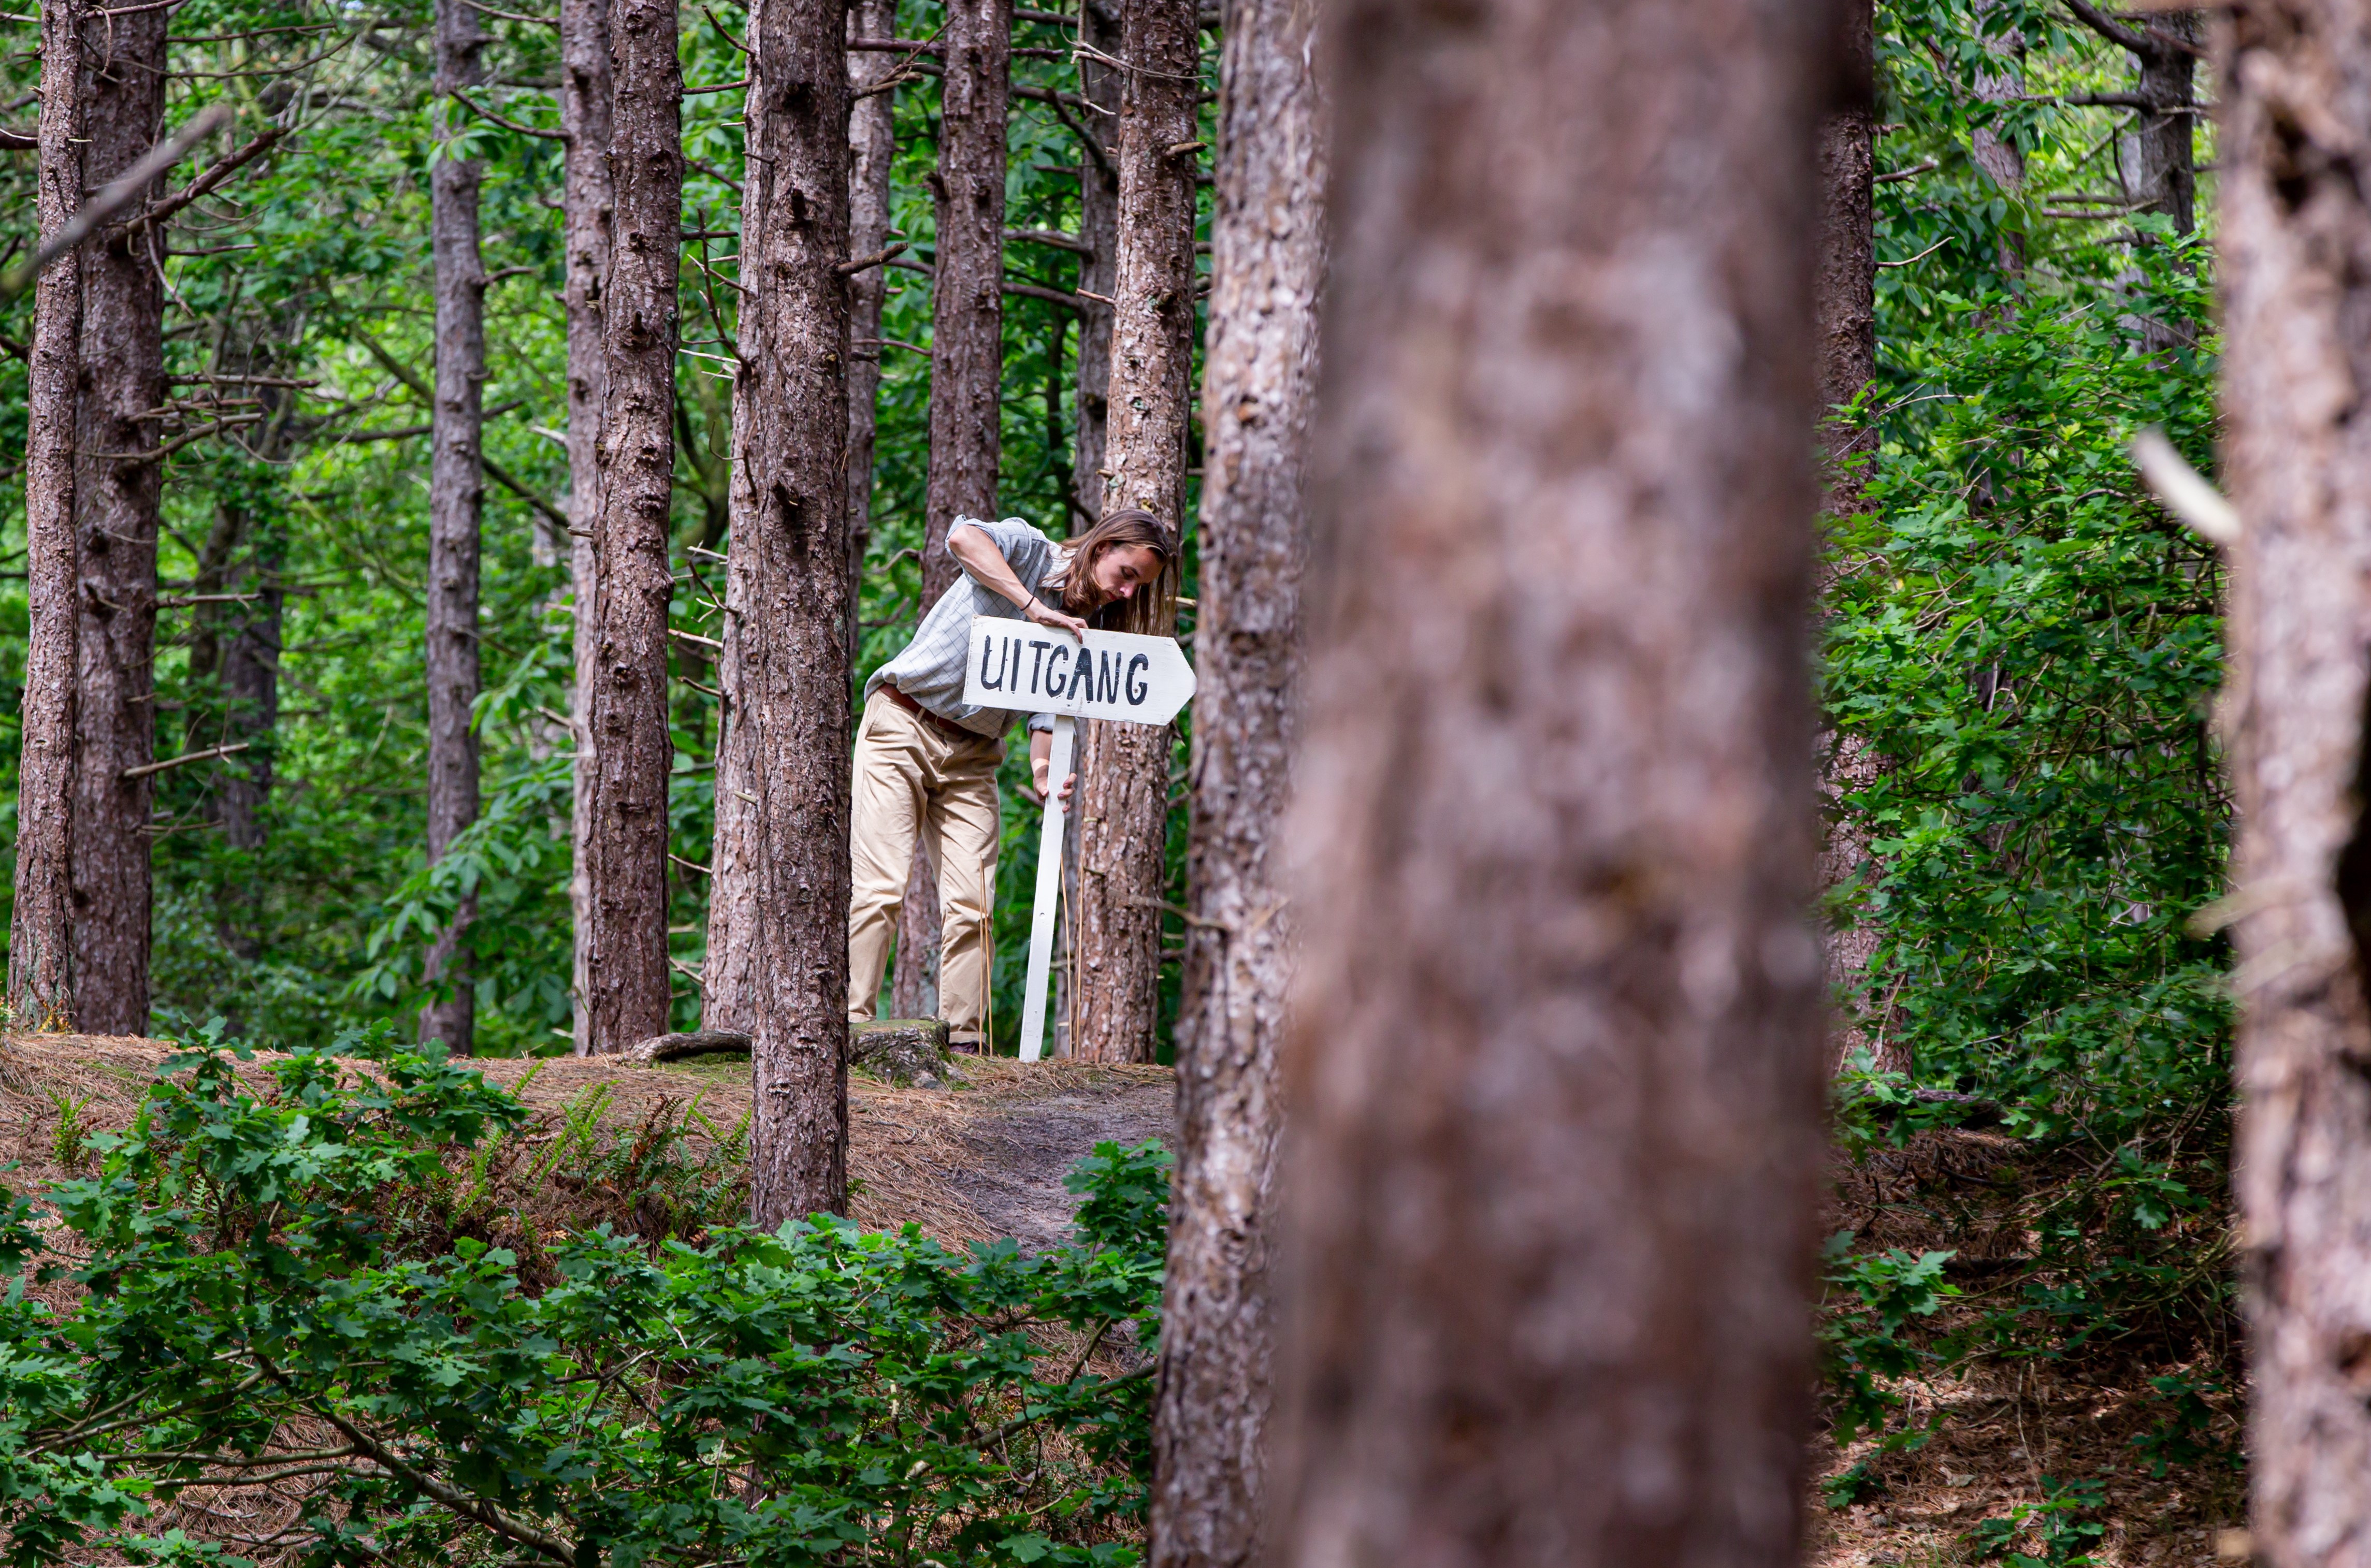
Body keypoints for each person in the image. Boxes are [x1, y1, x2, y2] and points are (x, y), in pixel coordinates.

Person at [848, 507, 1177, 1050]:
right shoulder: (1027, 549)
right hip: (903, 723)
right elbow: (961, 537)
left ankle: (962, 1045)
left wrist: (1043, 770)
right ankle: (854, 1031)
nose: (1127, 592)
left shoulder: (1087, 628)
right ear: (1101, 549)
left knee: (974, 904)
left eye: (1138, 585)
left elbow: (1047, 710)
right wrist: (1032, 608)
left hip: (976, 755)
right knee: (881, 888)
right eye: (1127, 574)